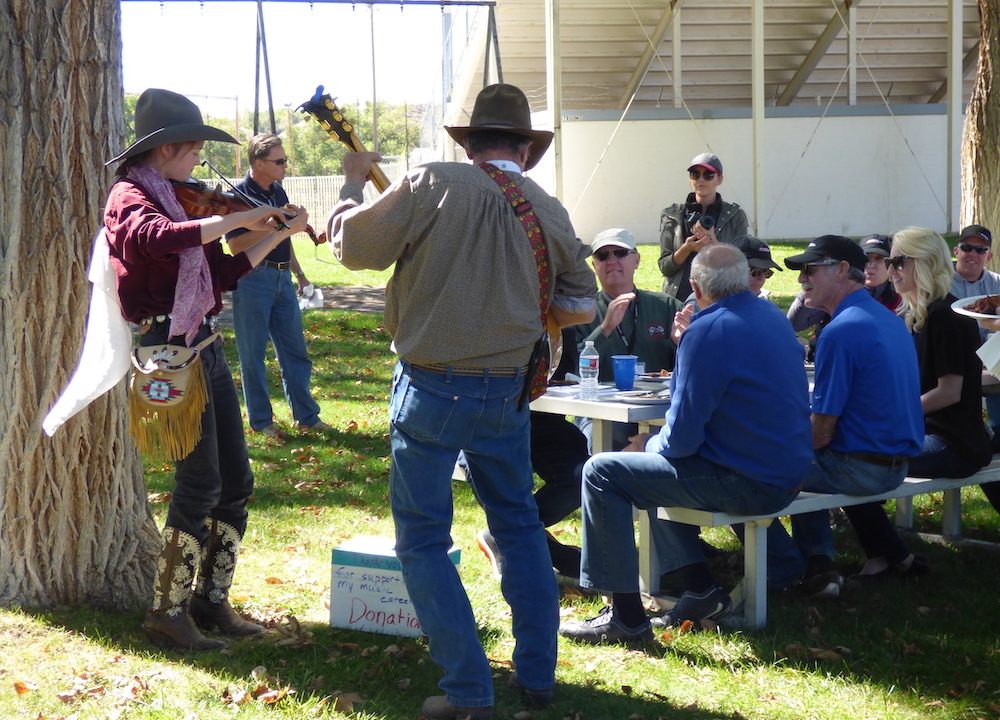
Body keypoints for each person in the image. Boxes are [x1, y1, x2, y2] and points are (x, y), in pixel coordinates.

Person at [328, 83, 597, 720]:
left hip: (429, 386)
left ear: (469, 141)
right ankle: (536, 678)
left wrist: (349, 185)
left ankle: (467, 691)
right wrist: (518, 314)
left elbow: (352, 249)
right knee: (520, 528)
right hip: (507, 394)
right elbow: (582, 302)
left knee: (422, 541)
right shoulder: (545, 206)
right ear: (524, 150)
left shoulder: (431, 182)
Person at [103, 88, 309, 650]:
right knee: (199, 482)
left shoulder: (174, 196)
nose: (199, 166)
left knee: (235, 481)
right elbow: (158, 240)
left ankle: (209, 601)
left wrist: (278, 233)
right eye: (195, 152)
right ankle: (166, 612)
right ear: (175, 147)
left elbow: (220, 274)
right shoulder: (129, 197)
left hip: (204, 345)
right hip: (167, 352)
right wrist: (245, 213)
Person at [558, 245, 812, 645]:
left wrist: (645, 445)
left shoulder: (707, 330)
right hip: (787, 471)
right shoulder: (772, 317)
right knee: (644, 475)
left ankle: (624, 615)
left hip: (747, 480)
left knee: (602, 471)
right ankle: (696, 586)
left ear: (694, 286)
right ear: (747, 279)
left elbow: (679, 440)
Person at [765, 235, 924, 594]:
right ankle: (820, 564)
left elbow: (820, 434)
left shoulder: (839, 332)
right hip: (896, 466)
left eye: (810, 269)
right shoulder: (888, 319)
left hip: (862, 470)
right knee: (798, 457)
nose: (801, 278)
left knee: (750, 464)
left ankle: (789, 567)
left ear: (840, 271)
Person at [883, 228, 997, 519]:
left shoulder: (945, 315)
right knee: (853, 450)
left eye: (898, 262)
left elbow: (949, 392)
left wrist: (895, 413)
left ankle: (886, 550)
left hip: (952, 443)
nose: (891, 270)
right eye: (889, 263)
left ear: (923, 262)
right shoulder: (915, 315)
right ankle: (885, 550)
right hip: (927, 432)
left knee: (863, 458)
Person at [226, 134, 329, 440]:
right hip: (253, 279)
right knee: (253, 355)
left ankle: (307, 417)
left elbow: (285, 236)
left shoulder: (277, 191)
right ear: (258, 163)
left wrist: (300, 275)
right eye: (280, 161)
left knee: (295, 351)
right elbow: (235, 246)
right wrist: (274, 226)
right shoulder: (239, 196)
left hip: (283, 279)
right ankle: (261, 422)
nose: (286, 165)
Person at [575, 227, 682, 449]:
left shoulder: (666, 306)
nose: (612, 260)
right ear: (594, 265)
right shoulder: (581, 312)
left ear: (637, 260)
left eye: (620, 253)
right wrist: (605, 329)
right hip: (601, 411)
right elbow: (571, 370)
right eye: (603, 256)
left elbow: (697, 363)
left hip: (657, 409)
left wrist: (680, 342)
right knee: (597, 438)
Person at [658, 153, 749, 301]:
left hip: (720, 297)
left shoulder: (735, 216)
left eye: (708, 175)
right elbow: (665, 267)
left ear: (719, 179)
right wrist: (686, 248)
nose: (700, 179)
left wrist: (713, 243)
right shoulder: (672, 215)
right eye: (695, 174)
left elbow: (741, 268)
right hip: (679, 297)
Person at [948, 224, 1000, 450]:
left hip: (991, 357)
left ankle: (996, 433)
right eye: (967, 247)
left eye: (980, 250)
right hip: (952, 358)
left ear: (989, 255)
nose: (973, 254)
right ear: (956, 252)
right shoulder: (942, 282)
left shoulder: (997, 284)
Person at [860, 234, 902, 312]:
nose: (871, 265)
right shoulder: (842, 296)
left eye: (878, 258)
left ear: (891, 263)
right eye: (866, 258)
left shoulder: (904, 301)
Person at [740, 235, 782, 299]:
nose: (762, 278)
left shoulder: (765, 305)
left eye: (767, 272)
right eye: (755, 272)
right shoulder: (721, 305)